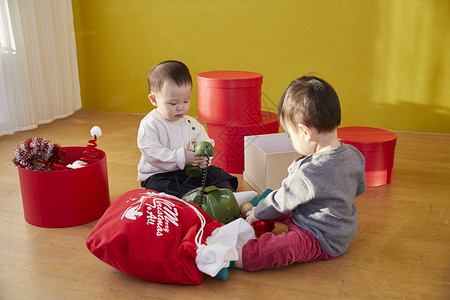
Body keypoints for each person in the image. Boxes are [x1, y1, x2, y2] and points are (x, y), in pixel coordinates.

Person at [235, 75, 366, 271]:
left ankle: (237, 256)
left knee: (279, 248)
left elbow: (284, 199)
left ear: (305, 132)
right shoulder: (354, 154)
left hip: (319, 237)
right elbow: (359, 188)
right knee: (273, 195)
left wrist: (260, 213)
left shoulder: (310, 172)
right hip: (340, 230)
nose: (290, 139)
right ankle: (254, 208)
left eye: (290, 135)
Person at [137, 60, 238, 198]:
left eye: (186, 101)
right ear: (154, 100)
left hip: (188, 171)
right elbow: (152, 154)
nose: (181, 107)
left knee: (218, 173)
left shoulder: (190, 122)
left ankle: (228, 196)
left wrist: (203, 157)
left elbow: (206, 142)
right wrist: (182, 157)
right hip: (160, 175)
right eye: (173, 103)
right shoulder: (150, 124)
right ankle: (194, 199)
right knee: (161, 188)